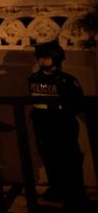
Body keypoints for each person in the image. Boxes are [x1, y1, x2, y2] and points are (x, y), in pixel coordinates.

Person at [28, 40, 86, 203]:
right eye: (39, 57)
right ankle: (56, 188)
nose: (41, 61)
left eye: (45, 57)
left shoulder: (66, 80)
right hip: (42, 125)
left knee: (69, 158)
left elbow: (77, 104)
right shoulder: (34, 78)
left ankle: (75, 191)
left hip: (63, 125)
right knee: (48, 157)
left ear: (56, 58)